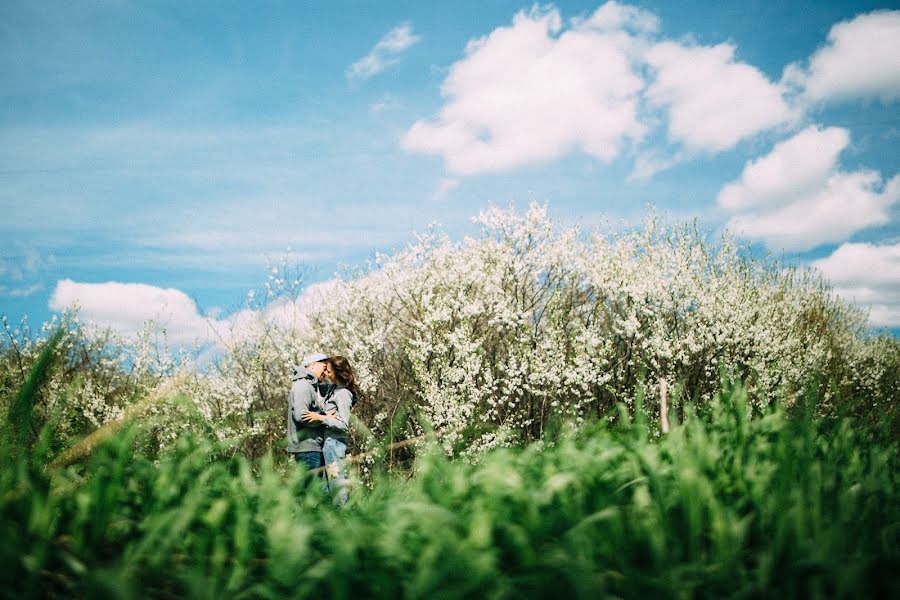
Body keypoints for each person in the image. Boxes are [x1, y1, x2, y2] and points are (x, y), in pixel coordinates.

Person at [301, 355, 360, 505]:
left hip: (334, 446)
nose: (326, 374)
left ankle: (343, 514)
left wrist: (320, 418)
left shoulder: (343, 394)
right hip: (328, 446)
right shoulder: (333, 389)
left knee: (336, 482)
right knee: (328, 486)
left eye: (329, 371)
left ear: (337, 372)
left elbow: (343, 424)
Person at [286, 352, 334, 472]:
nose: (325, 373)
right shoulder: (303, 386)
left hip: (312, 447)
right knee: (310, 489)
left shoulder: (313, 387)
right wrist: (324, 418)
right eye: (324, 368)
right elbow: (301, 416)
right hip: (307, 448)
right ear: (313, 365)